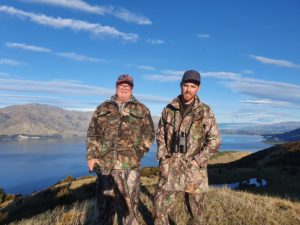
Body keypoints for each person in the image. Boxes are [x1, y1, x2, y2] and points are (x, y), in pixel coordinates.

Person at [154, 70, 221, 225]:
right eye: (186, 85)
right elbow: (160, 135)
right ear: (181, 85)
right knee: (159, 209)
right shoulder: (168, 109)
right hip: (170, 168)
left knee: (196, 215)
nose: (188, 89)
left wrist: (197, 162)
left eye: (193, 86)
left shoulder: (205, 111)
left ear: (198, 88)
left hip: (194, 171)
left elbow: (214, 140)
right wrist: (163, 159)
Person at [86, 74, 155, 225]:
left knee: (129, 210)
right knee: (104, 210)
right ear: (116, 86)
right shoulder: (103, 108)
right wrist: (91, 156)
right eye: (121, 85)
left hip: (130, 167)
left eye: (127, 85)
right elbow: (93, 133)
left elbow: (149, 133)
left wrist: (138, 152)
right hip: (106, 167)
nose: (124, 88)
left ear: (132, 88)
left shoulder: (142, 109)